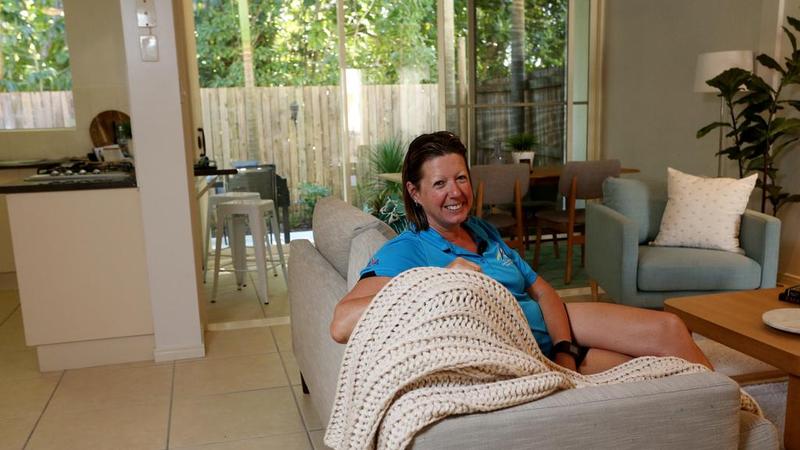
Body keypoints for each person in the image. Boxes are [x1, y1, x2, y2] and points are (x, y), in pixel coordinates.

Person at [330, 131, 712, 374]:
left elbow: (543, 291)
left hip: (556, 332)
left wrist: (565, 351)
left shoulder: (480, 229)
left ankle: (730, 412)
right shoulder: (407, 250)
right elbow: (342, 324)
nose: (455, 192)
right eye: (440, 183)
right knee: (653, 369)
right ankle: (728, 415)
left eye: (461, 178)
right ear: (415, 193)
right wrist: (439, 282)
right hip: (524, 349)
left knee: (670, 329)